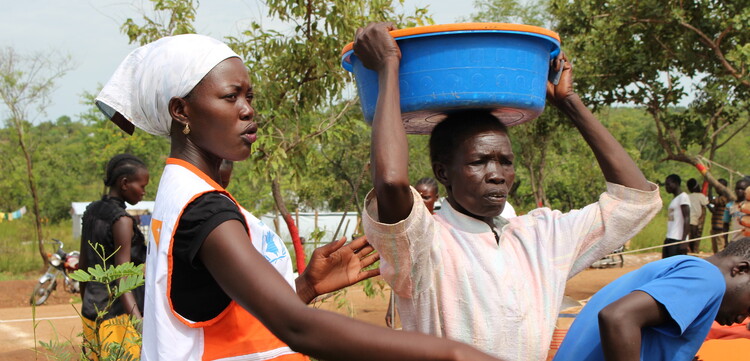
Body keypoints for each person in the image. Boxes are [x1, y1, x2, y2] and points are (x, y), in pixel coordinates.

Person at [95, 34, 502, 361]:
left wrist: (305, 286)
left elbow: (221, 312)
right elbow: (296, 327)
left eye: (249, 97)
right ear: (181, 110)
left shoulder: (185, 191)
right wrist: (452, 352)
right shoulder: (203, 209)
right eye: (230, 96)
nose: (248, 110)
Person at [355, 22, 661, 360]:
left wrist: (569, 103)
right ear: (443, 172)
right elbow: (392, 182)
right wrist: (387, 68)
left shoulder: (541, 236)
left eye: (506, 162)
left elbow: (634, 201)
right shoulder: (426, 246)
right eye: (479, 162)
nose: (497, 175)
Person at [553, 237, 750, 361]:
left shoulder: (679, 267)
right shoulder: (707, 277)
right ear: (741, 269)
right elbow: (618, 317)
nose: (743, 319)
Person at [79, 153, 149, 358]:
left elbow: (83, 266)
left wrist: (88, 308)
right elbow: (122, 279)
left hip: (92, 311)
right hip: (119, 316)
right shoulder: (123, 221)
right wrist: (139, 325)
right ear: (125, 183)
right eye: (142, 186)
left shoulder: (92, 210)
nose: (144, 192)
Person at [385, 176, 438, 328]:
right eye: (417, 197)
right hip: (414, 298)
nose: (420, 202)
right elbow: (400, 271)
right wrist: (391, 306)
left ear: (436, 198)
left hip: (438, 296)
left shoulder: (442, 227)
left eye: (426, 198)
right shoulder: (408, 230)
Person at [663, 174, 690, 258]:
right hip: (669, 237)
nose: (666, 187)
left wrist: (684, 241)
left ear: (676, 183)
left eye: (668, 184)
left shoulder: (683, 197)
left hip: (677, 239)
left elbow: (687, 218)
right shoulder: (675, 199)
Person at [723, 177, 750, 243]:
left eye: (742, 189)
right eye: (738, 188)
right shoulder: (729, 206)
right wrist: (725, 241)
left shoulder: (748, 206)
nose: (739, 191)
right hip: (735, 240)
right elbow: (725, 224)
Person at [687, 178, 709, 253]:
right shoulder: (701, 196)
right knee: (693, 240)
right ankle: (693, 253)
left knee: (688, 240)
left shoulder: (687, 196)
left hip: (686, 221)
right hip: (694, 222)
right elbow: (708, 205)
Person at [709, 178, 730, 253]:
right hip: (715, 227)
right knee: (715, 250)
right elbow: (714, 211)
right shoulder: (719, 198)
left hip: (721, 228)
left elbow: (711, 200)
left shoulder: (725, 198)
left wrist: (710, 188)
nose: (717, 189)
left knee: (720, 250)